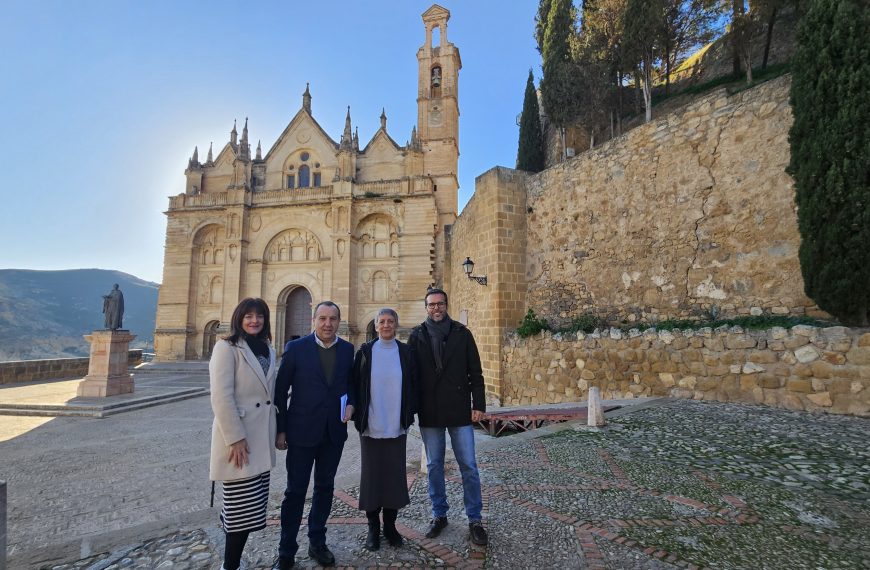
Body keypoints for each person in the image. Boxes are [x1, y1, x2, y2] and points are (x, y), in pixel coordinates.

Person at [273, 301, 355, 569]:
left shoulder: (347, 350)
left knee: (325, 487)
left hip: (333, 433)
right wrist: (281, 429)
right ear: (313, 320)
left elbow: (352, 385)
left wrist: (352, 402)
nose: (327, 324)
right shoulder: (295, 349)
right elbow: (280, 390)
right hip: (301, 432)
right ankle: (286, 550)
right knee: (295, 491)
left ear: (338, 321)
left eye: (332, 319)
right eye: (323, 318)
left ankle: (317, 542)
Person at [408, 288, 489, 546]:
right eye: (431, 304)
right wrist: (409, 408)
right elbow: (411, 377)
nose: (436, 308)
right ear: (426, 308)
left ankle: (474, 519)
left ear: (446, 305)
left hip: (459, 409)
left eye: (440, 304)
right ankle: (439, 515)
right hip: (430, 410)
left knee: (469, 465)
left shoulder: (462, 334)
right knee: (433, 466)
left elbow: (475, 372)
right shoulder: (416, 335)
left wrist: (480, 404)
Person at [209, 298, 278, 570]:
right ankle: (230, 566)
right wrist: (235, 437)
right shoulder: (226, 347)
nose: (254, 320)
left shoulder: (268, 349)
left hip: (260, 439)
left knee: (251, 509)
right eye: (248, 316)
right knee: (240, 511)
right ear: (239, 318)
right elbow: (221, 396)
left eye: (259, 316)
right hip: (240, 441)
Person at [350, 308, 417, 551]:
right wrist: (354, 411)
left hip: (396, 425)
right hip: (371, 425)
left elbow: (413, 384)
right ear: (376, 326)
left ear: (396, 325)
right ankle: (372, 528)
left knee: (393, 477)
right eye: (382, 322)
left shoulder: (406, 352)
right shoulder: (366, 352)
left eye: (390, 321)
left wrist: (410, 414)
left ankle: (390, 526)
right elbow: (355, 384)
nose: (386, 325)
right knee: (371, 478)